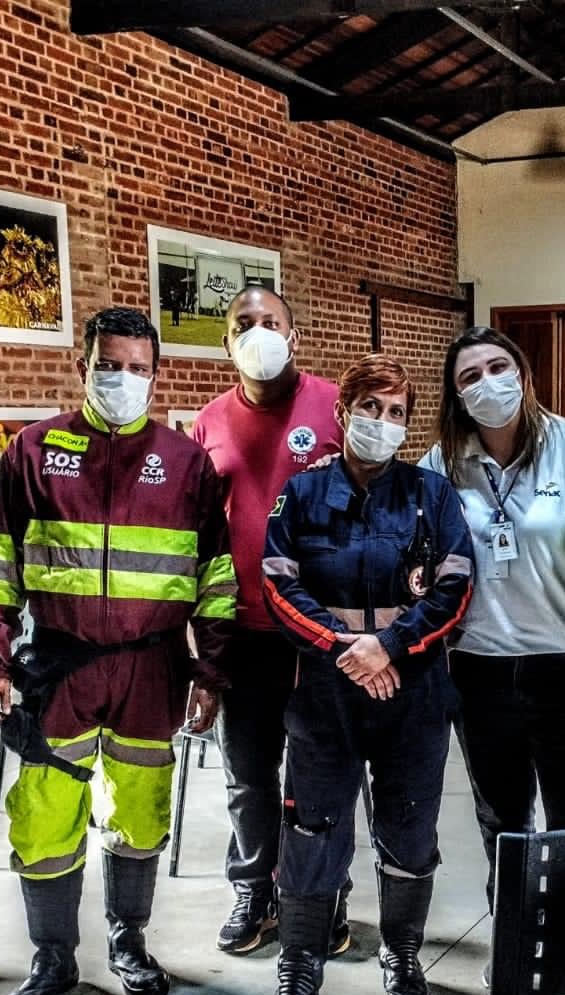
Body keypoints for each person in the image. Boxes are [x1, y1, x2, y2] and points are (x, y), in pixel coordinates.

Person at [0, 307, 235, 995]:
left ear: (156, 375)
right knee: (46, 814)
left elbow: (216, 577)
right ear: (81, 367)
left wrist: (210, 674)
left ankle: (130, 942)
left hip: (154, 669)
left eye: (139, 368)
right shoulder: (32, 450)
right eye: (110, 364)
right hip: (59, 664)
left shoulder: (185, 463)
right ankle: (52, 958)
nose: (124, 379)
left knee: (140, 815)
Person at [420, 326, 565, 995]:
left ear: (524, 372)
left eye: (497, 367)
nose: (486, 383)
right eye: (468, 376)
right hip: (478, 673)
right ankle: (519, 947)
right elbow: (416, 549)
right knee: (504, 824)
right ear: (456, 394)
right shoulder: (442, 462)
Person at [259, 354, 474, 995]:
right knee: (313, 834)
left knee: (409, 834)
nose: (383, 423)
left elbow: (456, 587)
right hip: (325, 694)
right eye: (371, 408)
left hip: (412, 692)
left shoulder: (431, 494)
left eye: (397, 413)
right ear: (343, 410)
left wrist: (390, 646)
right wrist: (343, 649)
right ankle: (298, 974)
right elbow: (277, 583)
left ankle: (402, 955)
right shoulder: (302, 493)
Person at [189, 286, 345, 956]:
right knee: (248, 774)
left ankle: (321, 896)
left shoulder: (335, 405)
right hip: (244, 631)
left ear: (295, 335)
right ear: (227, 343)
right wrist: (200, 645)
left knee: (322, 774)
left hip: (321, 632)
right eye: (243, 325)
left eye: (271, 322)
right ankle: (254, 889)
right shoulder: (209, 422)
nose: (259, 332)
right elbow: (197, 534)